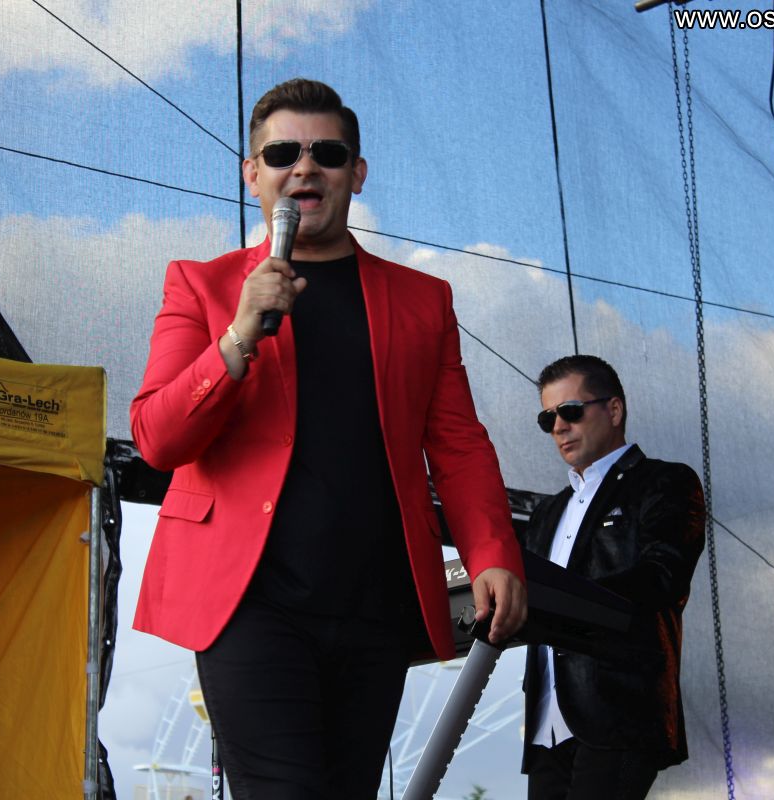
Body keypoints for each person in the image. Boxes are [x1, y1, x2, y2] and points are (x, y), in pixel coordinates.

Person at [130, 78, 526, 799]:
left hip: (373, 602)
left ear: (357, 173)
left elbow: (458, 443)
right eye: (283, 153)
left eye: (328, 153)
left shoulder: (422, 300)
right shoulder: (201, 285)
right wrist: (238, 336)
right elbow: (157, 439)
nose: (305, 167)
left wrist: (492, 552)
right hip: (247, 602)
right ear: (252, 174)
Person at [520, 355, 705, 799]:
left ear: (614, 410)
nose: (559, 427)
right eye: (547, 419)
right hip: (547, 722)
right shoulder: (547, 512)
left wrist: (563, 602)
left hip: (619, 710)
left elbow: (663, 576)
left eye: (571, 411)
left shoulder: (664, 482)